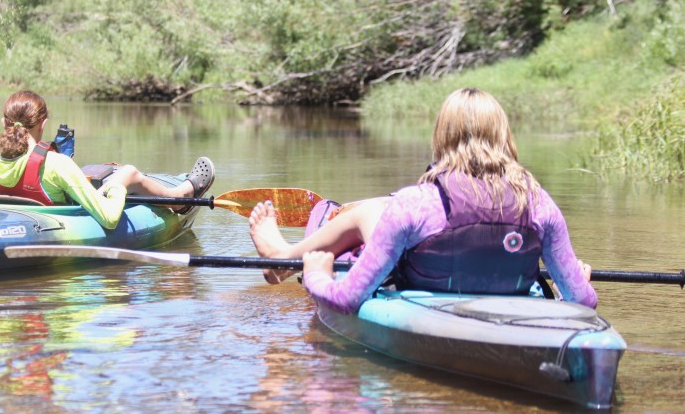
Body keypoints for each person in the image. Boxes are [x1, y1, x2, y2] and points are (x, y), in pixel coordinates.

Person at [249, 87, 596, 314]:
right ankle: (281, 257)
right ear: (505, 137)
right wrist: (574, 286)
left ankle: (285, 259)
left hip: (423, 293)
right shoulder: (540, 204)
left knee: (371, 211)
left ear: (441, 137)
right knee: (375, 211)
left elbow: (348, 299)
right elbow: (582, 301)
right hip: (509, 299)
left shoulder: (414, 204)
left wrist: (317, 276)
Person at [0, 90, 215, 229]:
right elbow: (108, 219)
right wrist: (117, 189)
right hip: (51, 224)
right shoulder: (58, 165)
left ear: (3, 122)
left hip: (6, 221)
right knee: (128, 173)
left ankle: (180, 196)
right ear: (43, 124)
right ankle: (181, 197)